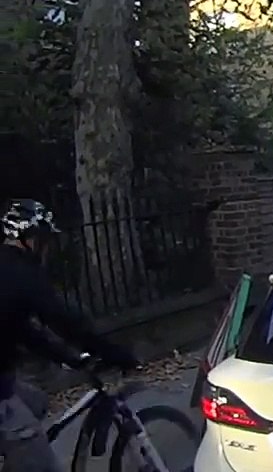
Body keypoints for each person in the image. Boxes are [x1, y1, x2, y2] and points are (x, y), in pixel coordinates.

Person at [0, 199, 140, 472]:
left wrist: (69, 357)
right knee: (38, 459)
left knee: (36, 402)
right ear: (31, 239)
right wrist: (113, 352)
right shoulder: (21, 274)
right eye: (46, 241)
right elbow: (66, 322)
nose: (48, 250)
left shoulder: (7, 270)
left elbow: (22, 330)